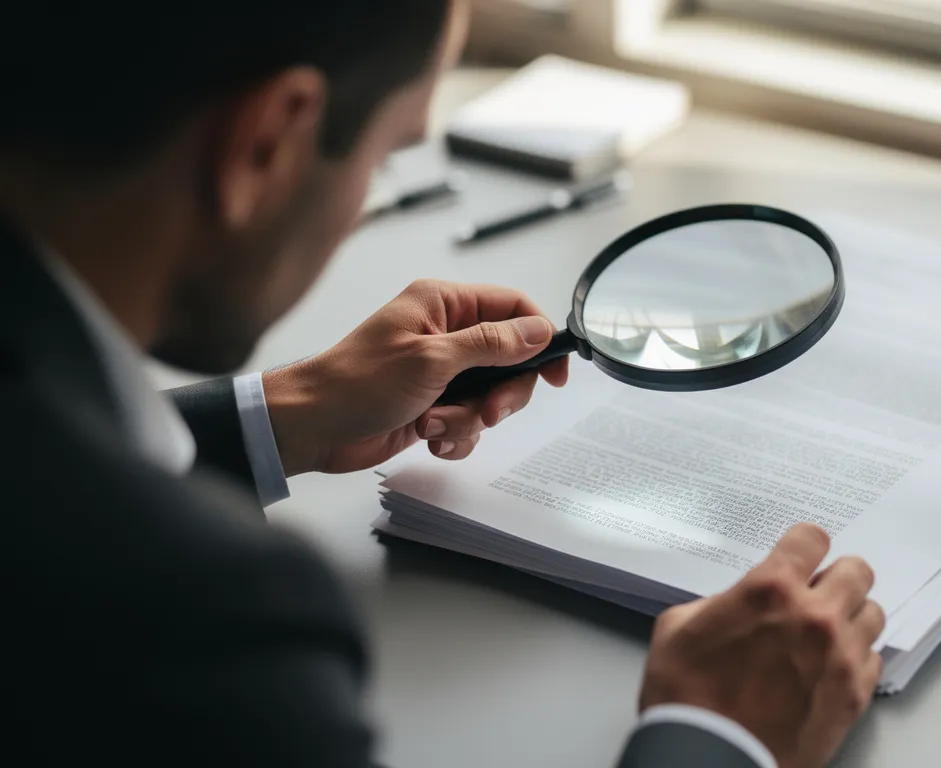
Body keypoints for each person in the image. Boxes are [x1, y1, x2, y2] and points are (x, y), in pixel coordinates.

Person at [0, 2, 885, 767]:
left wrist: (283, 414)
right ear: (265, 143)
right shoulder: (210, 631)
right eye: (387, 154)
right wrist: (717, 737)